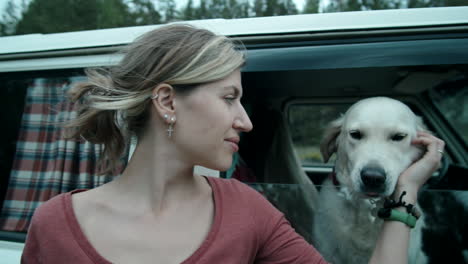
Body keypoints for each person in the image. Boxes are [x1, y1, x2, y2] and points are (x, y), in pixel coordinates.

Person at [21, 24, 444, 264]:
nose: (246, 120)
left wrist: (405, 192)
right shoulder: (52, 225)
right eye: (229, 99)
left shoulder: (250, 212)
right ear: (167, 102)